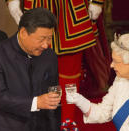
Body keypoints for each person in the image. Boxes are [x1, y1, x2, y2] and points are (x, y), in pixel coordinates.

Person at [6, 0, 111, 129]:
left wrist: (97, 2)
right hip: (36, 6)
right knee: (36, 72)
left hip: (70, 9)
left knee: (70, 72)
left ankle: (66, 123)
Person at [0, 8, 61, 131]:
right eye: (41, 39)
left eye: (49, 38)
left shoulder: (49, 56)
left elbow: (53, 99)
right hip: (5, 126)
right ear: (23, 33)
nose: (46, 45)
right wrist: (36, 103)